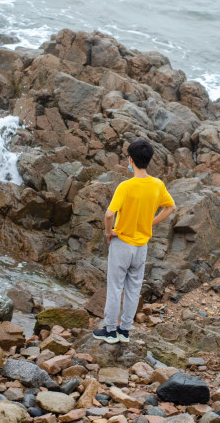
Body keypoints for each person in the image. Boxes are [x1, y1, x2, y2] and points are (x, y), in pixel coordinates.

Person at [92, 139, 176, 344]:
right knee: (133, 288)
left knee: (115, 287)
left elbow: (109, 214)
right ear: (149, 160)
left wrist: (108, 233)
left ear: (130, 159)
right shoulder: (157, 185)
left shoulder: (125, 186)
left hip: (122, 244)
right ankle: (125, 330)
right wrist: (151, 223)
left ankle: (110, 331)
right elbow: (171, 207)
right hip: (141, 247)